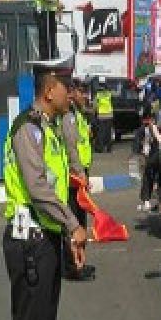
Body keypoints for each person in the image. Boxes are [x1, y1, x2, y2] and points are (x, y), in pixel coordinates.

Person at [0, 57, 87, 320]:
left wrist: (69, 237)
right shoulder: (27, 131)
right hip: (28, 242)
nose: (72, 93)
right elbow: (37, 189)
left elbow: (58, 184)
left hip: (45, 241)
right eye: (66, 86)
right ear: (49, 90)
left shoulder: (48, 129)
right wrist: (72, 224)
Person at [60, 79, 97, 282]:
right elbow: (71, 147)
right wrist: (80, 173)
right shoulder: (68, 117)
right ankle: (73, 265)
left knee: (81, 219)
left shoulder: (77, 115)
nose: (86, 97)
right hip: (73, 177)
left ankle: (79, 261)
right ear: (72, 93)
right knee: (74, 221)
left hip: (80, 175)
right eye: (83, 92)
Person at [133, 106, 161, 212]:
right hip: (148, 156)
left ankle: (153, 201)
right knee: (148, 177)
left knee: (152, 177)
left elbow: (159, 141)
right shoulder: (141, 130)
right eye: (148, 119)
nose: (150, 121)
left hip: (154, 155)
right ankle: (147, 200)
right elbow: (137, 145)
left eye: (151, 119)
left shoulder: (155, 128)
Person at [93, 80, 114, 153]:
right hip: (109, 115)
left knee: (101, 132)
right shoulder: (109, 94)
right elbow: (112, 102)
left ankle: (100, 148)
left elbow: (95, 106)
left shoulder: (98, 95)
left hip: (101, 115)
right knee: (108, 132)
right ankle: (109, 148)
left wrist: (94, 112)